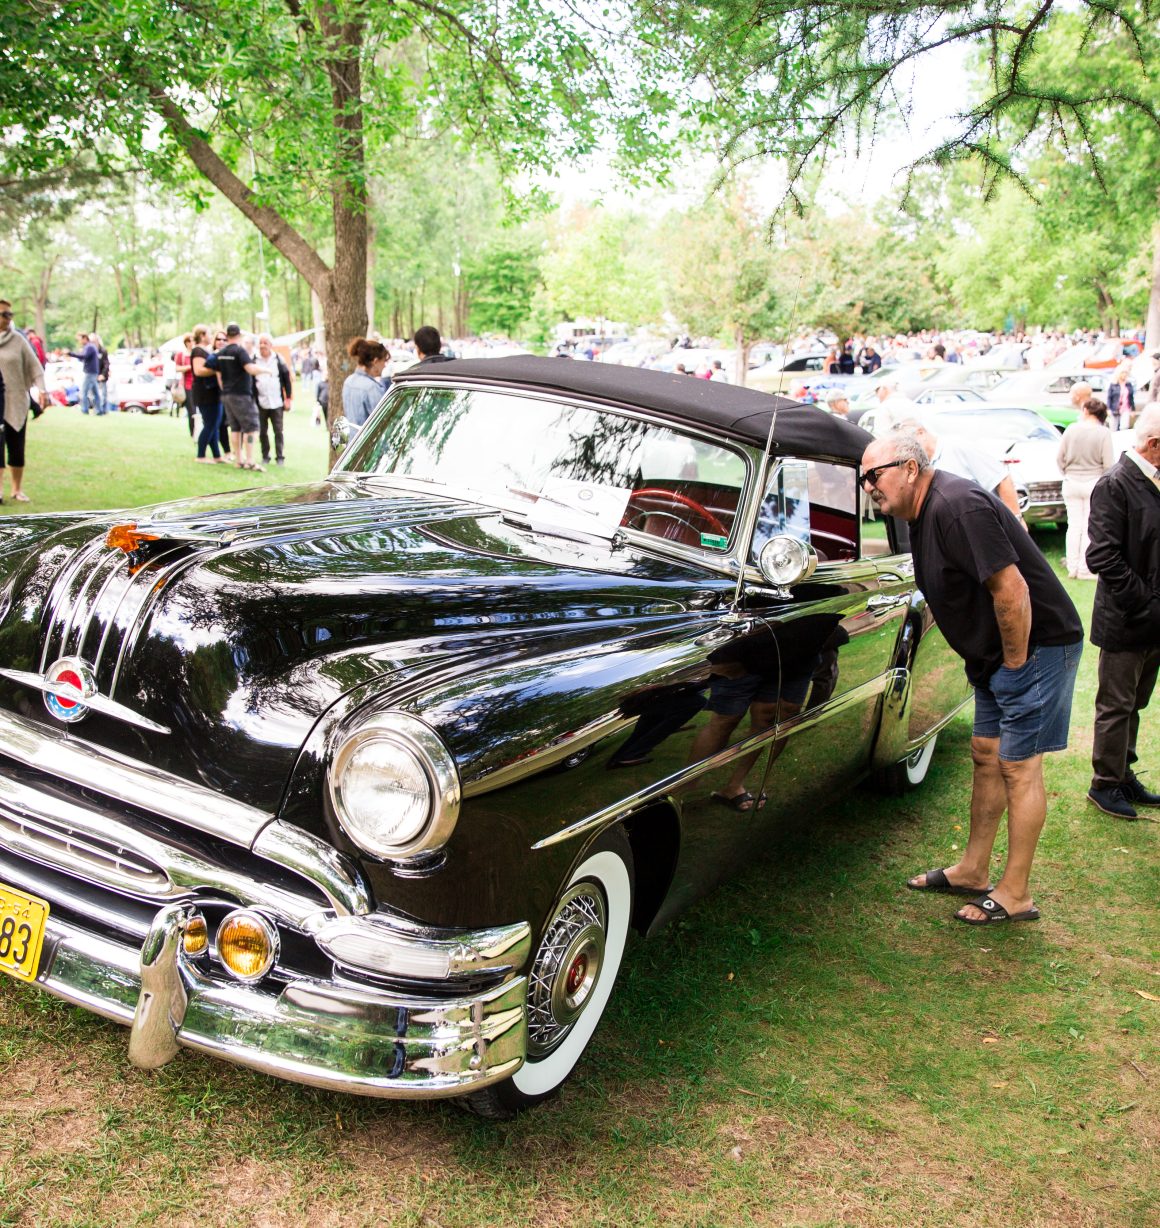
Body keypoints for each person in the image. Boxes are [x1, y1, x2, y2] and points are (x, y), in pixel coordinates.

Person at [861, 431, 1083, 925]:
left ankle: (1016, 892)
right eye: (863, 479)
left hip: (1035, 646)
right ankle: (973, 869)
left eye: (874, 475)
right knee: (986, 756)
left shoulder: (958, 506)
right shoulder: (920, 515)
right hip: (996, 657)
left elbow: (1012, 589)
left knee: (1018, 766)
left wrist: (1016, 664)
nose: (869, 487)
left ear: (911, 468)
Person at [1083, 406, 1160, 819]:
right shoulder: (1115, 484)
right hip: (1128, 619)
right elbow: (1103, 556)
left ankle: (1122, 772)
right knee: (1115, 705)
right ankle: (1105, 784)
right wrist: (1145, 605)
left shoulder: (1152, 481)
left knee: (1136, 703)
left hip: (1152, 621)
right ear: (1153, 445)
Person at [894, 417, 1024, 524]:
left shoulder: (959, 447)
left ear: (921, 433)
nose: (907, 452)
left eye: (909, 445)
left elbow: (1001, 478)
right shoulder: (919, 465)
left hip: (989, 523)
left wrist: (1016, 520)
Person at [1056, 397, 1114, 579]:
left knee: (1073, 526)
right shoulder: (1103, 433)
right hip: (1093, 482)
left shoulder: (1071, 430)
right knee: (1089, 526)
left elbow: (1059, 457)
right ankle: (1085, 569)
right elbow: (1109, 463)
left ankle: (1072, 568)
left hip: (1071, 481)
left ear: (1087, 411)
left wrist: (1066, 471)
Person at [0, 299, 49, 502]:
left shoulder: (18, 340)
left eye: (9, 314)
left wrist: (43, 391)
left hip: (17, 399)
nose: (7, 318)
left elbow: (35, 367)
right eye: (4, 314)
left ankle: (16, 489)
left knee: (16, 446)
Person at [204, 323, 262, 470]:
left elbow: (218, 375)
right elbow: (250, 368)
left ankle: (238, 459)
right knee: (250, 427)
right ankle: (249, 460)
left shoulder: (221, 352)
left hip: (226, 394)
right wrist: (266, 370)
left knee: (235, 428)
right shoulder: (239, 351)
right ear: (239, 335)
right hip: (241, 394)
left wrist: (225, 390)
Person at [252, 334, 293, 465]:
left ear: (270, 345)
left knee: (278, 431)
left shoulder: (278, 360)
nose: (262, 345)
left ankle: (280, 457)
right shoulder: (254, 360)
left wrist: (288, 399)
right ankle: (265, 456)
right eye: (260, 342)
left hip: (276, 402)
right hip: (260, 402)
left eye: (265, 342)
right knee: (262, 431)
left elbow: (287, 380)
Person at [189, 324, 227, 464]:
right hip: (204, 392)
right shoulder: (198, 351)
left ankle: (217, 455)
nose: (211, 337)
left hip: (212, 392)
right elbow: (198, 371)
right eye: (209, 334)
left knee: (214, 424)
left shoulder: (205, 350)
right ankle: (201, 455)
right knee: (210, 424)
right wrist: (217, 370)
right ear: (202, 335)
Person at [341, 337, 389, 428]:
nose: (384, 366)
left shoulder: (348, 381)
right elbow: (384, 423)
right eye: (384, 361)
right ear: (375, 361)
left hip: (354, 441)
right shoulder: (371, 388)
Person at [69, 332, 102, 415]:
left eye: (80, 340)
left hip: (90, 372)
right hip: (92, 372)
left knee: (84, 391)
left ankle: (85, 409)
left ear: (84, 338)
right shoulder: (90, 347)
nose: (80, 342)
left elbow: (84, 356)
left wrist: (71, 354)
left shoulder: (89, 347)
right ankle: (98, 410)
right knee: (95, 392)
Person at [174, 334, 195, 436]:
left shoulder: (197, 353)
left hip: (199, 385)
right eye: (190, 341)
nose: (192, 343)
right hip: (187, 386)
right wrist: (188, 367)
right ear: (186, 343)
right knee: (192, 411)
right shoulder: (181, 355)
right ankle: (193, 433)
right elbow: (177, 368)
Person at [1106, 362, 1135, 431]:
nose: (1124, 375)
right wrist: (1108, 409)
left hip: (1125, 408)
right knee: (1113, 427)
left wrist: (1133, 409)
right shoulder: (1113, 384)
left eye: (1126, 373)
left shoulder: (1128, 384)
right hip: (1114, 408)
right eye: (1123, 373)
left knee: (1124, 427)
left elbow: (1131, 398)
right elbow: (1109, 398)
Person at [93, 333, 110, 416]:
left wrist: (102, 374)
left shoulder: (103, 351)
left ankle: (103, 410)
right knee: (94, 394)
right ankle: (97, 409)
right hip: (94, 376)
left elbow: (106, 364)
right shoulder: (92, 350)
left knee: (103, 394)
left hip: (102, 376)